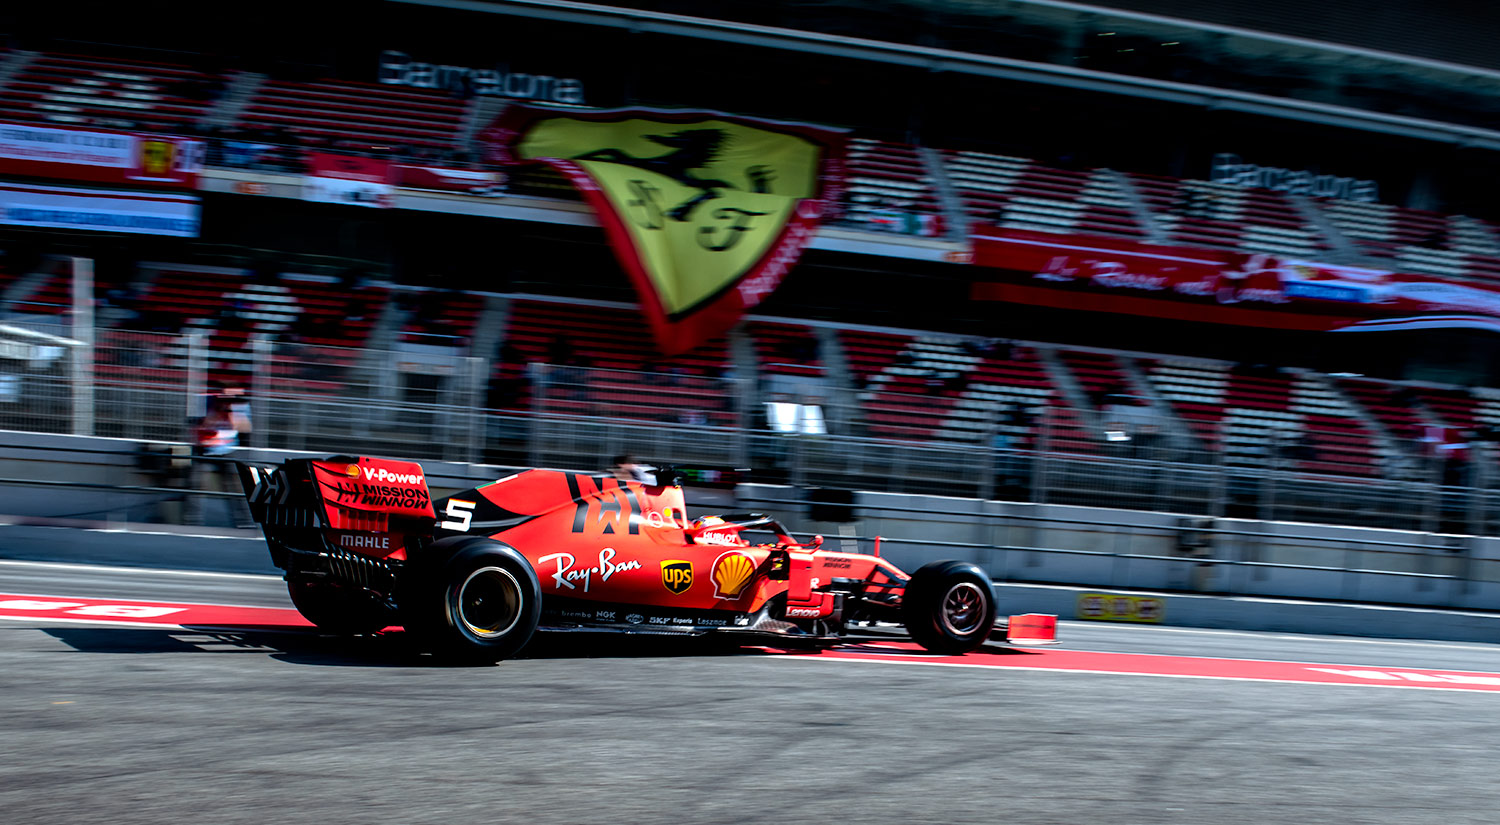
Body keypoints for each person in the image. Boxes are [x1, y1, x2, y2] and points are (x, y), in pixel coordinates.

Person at [186, 390, 254, 527]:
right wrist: (217, 410)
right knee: (196, 486)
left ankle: (244, 522)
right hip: (204, 449)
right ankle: (192, 522)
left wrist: (232, 412)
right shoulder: (206, 400)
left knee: (235, 488)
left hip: (226, 450)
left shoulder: (239, 404)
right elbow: (200, 424)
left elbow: (245, 428)